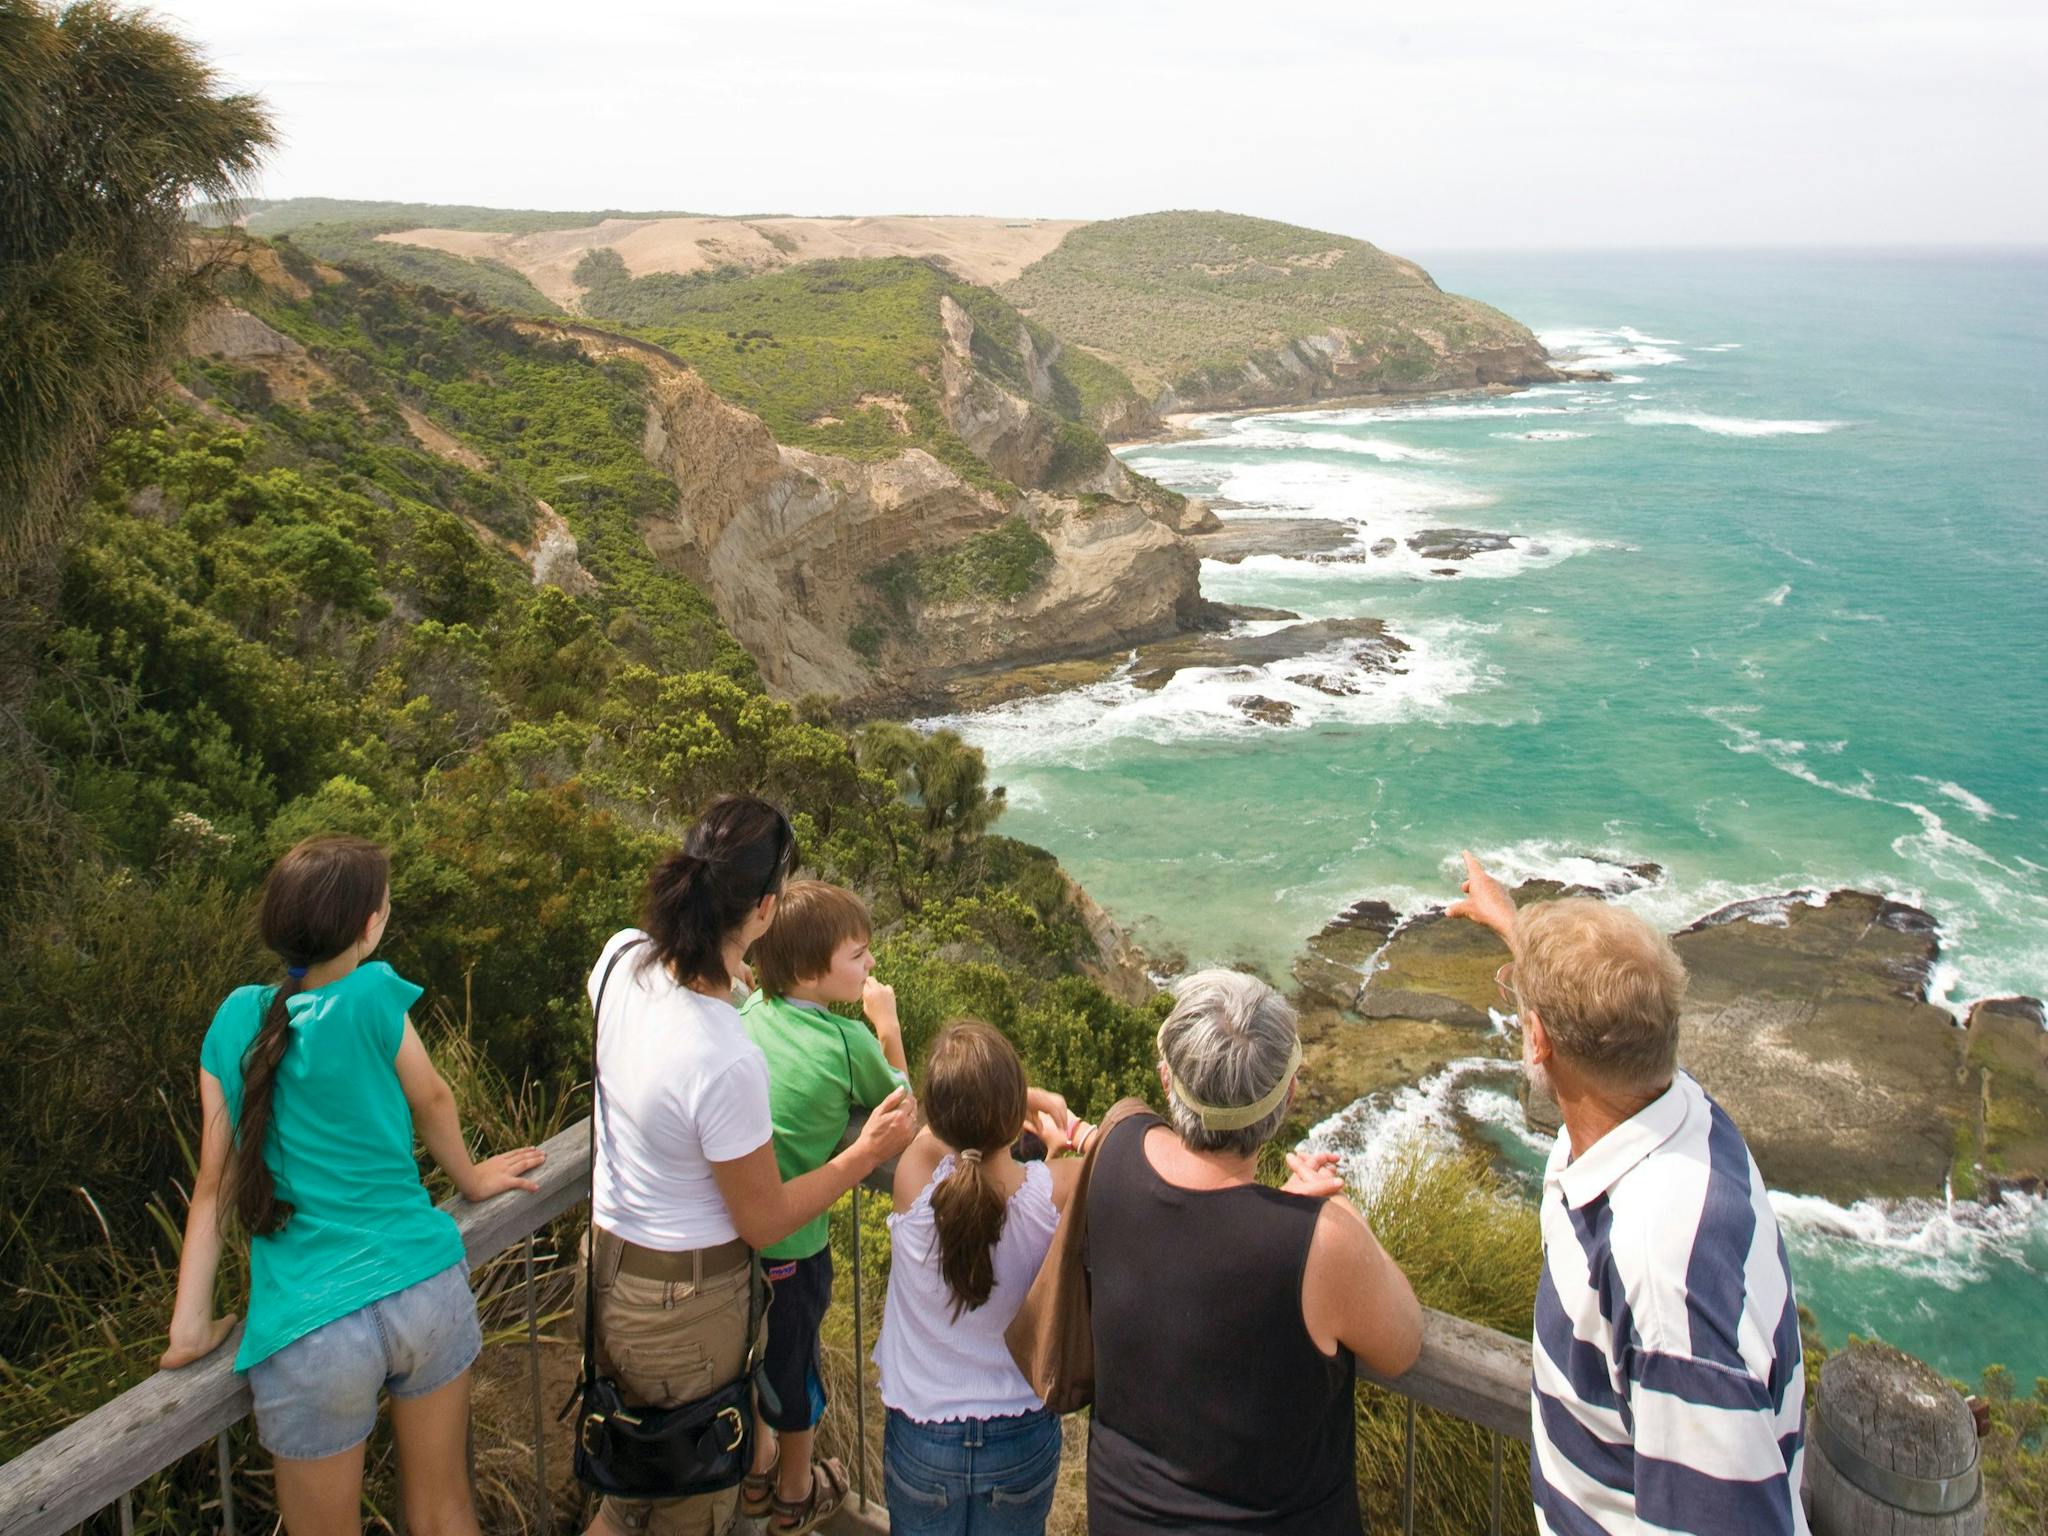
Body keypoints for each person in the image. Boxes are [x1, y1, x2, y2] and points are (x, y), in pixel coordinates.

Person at [162, 835, 546, 1536]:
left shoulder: (234, 1021)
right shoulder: (374, 995)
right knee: (444, 1514)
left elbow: (214, 1186)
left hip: (312, 1328)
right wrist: (470, 1177)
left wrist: (191, 1324)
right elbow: (433, 1099)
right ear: (370, 925)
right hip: (422, 1287)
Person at [1448, 852, 1809, 1536]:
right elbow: (1598, 1000)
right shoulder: (1670, 1104)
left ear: (1538, 1039)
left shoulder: (1664, 1279)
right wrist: (1512, 924)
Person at [584, 797, 917, 1536]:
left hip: (607, 1267)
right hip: (683, 1305)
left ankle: (766, 1469)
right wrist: (864, 1155)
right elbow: (764, 1218)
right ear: (765, 909)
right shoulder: (723, 1054)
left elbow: (669, 1003)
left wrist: (732, 983)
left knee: (630, 1490)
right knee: (692, 1506)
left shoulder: (621, 960)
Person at [1084, 970, 1424, 1535]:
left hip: (1120, 1515)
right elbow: (1403, 1345)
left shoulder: (1114, 1149)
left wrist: (1282, 1214)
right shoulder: (1318, 1242)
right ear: (1286, 1097)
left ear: (1167, 1079)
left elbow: (1206, 1231)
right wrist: (1335, 1214)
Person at [736, 881, 913, 1531]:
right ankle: (793, 1492)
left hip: (735, 1241)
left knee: (749, 1357)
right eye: (859, 956)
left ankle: (754, 1476)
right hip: (795, 1246)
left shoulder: (751, 1014)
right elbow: (903, 1113)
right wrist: (887, 1026)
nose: (871, 965)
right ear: (813, 972)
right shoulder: (847, 1042)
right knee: (794, 1368)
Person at [873, 1020, 1085, 1536]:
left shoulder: (912, 1183)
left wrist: (1011, 1101)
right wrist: (1068, 1133)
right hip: (1020, 1433)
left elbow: (932, 1130)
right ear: (1013, 1122)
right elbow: (1118, 1153)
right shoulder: (1058, 1191)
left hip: (922, 1430)